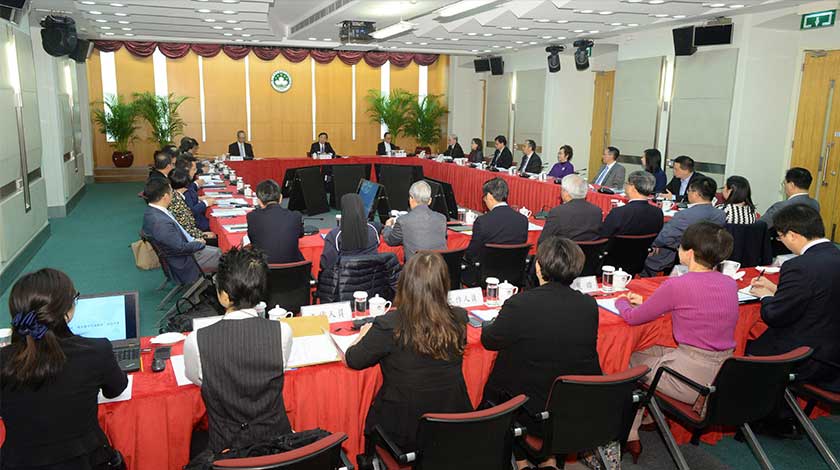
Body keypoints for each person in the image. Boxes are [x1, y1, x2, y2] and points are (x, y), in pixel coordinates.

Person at [616, 222, 738, 462]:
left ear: (689, 253)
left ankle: (630, 432)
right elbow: (694, 308)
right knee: (649, 349)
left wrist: (621, 301)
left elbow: (632, 318)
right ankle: (648, 415)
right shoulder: (729, 283)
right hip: (723, 374)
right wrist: (647, 303)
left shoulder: (678, 284)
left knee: (628, 358)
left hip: (691, 380)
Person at [481, 236, 600, 470]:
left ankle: (523, 461)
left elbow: (490, 340)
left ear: (538, 267)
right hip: (572, 406)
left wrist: (490, 324)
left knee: (507, 373)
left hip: (528, 408)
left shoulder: (520, 304)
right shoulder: (588, 305)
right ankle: (545, 460)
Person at [0, 268, 128, 469]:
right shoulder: (97, 350)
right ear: (66, 312)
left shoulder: (4, 360)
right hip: (87, 461)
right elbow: (116, 389)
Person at [346, 252, 472, 454]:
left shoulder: (389, 324)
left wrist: (362, 334)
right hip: (453, 420)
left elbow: (353, 359)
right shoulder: (459, 317)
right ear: (444, 284)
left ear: (405, 283)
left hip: (404, 429)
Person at [184, 247, 293, 454]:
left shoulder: (196, 341)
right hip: (277, 444)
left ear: (224, 296)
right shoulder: (282, 331)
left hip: (225, 448)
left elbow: (198, 379)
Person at [748, 204, 840, 393]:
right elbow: (819, 295)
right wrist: (777, 290)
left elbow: (774, 315)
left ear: (792, 235)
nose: (781, 242)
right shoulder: (833, 255)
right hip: (833, 350)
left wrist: (765, 296)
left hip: (809, 357)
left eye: (780, 237)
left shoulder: (799, 266)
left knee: (746, 345)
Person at [643, 176, 726, 276]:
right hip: (707, 257)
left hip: (677, 257)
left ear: (696, 194)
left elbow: (663, 238)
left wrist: (651, 244)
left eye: (689, 191)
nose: (688, 193)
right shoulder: (720, 215)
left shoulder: (684, 215)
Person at [142, 178, 221, 281]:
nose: (174, 194)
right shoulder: (161, 223)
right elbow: (180, 248)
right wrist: (198, 243)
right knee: (225, 256)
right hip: (187, 260)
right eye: (171, 191)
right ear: (165, 197)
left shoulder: (152, 212)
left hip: (183, 250)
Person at [464, 177, 528, 267]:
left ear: (489, 196)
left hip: (486, 271)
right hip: (515, 270)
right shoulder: (523, 220)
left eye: (484, 197)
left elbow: (472, 253)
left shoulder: (482, 221)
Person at [383, 181, 447, 261]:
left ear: (411, 199)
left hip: (415, 267)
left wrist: (388, 226)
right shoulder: (442, 218)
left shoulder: (403, 221)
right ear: (430, 200)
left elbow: (391, 240)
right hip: (439, 267)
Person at [245, 179, 305, 264]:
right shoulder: (296, 216)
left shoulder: (252, 217)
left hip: (262, 269)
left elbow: (252, 240)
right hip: (293, 269)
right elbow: (300, 234)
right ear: (280, 198)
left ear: (259, 201)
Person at [320, 193, 381, 273]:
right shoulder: (373, 229)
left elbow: (326, 264)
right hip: (371, 277)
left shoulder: (334, 235)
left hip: (345, 278)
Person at [539, 174, 602, 243]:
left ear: (566, 193)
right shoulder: (597, 211)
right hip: (590, 250)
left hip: (565, 249)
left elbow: (543, 242)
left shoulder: (558, 212)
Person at [599, 171, 664, 238]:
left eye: (627, 183)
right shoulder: (658, 212)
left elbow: (604, 236)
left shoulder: (618, 213)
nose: (625, 186)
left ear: (632, 187)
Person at [169, 168, 218, 246]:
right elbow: (186, 226)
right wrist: (203, 235)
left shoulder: (174, 195)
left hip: (189, 232)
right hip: (190, 238)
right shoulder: (178, 202)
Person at [178, 158, 214, 232]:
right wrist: (205, 203)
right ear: (186, 170)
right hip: (197, 224)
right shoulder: (183, 188)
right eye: (194, 169)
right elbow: (190, 211)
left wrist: (199, 198)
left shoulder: (186, 183)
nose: (195, 172)